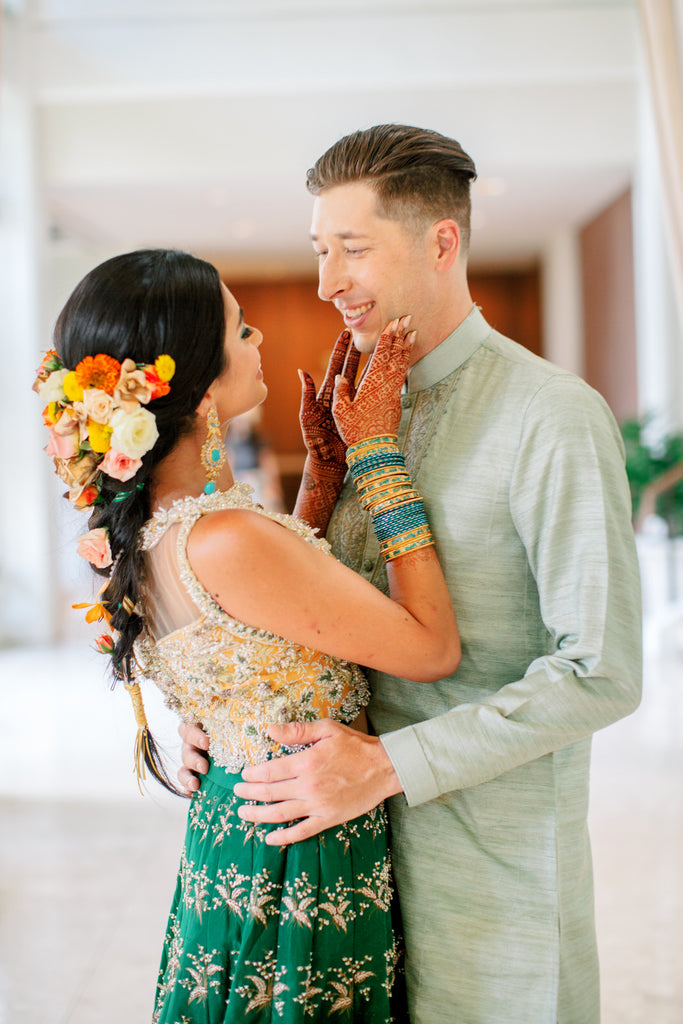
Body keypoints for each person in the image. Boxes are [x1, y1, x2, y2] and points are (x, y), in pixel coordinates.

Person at [179, 124, 643, 1024]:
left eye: (354, 248)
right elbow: (312, 619)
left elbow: (603, 671)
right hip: (347, 881)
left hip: (491, 878)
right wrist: (215, 712)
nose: (327, 283)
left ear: (442, 242)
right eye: (320, 250)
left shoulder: (549, 414)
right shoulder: (356, 405)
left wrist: (388, 765)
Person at [34, 248, 461, 1022]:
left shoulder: (146, 534)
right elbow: (431, 649)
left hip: (241, 829)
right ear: (196, 381)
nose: (259, 336)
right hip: (297, 856)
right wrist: (378, 459)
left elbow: (268, 617)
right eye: (241, 327)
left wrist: (323, 484)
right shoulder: (224, 536)